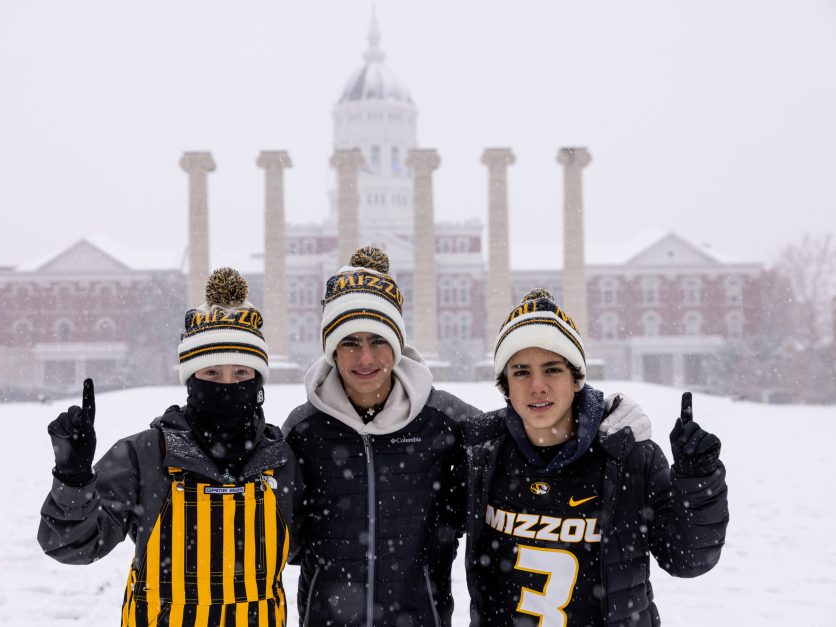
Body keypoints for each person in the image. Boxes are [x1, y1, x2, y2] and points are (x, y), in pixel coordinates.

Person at [284, 248, 651, 627]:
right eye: (350, 343)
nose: (365, 359)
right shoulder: (303, 430)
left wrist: (603, 415)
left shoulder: (447, 421)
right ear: (331, 350)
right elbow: (282, 537)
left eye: (378, 341)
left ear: (397, 344)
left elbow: (535, 430)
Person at [38, 267, 303, 627]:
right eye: (212, 374)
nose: (227, 385)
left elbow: (325, 546)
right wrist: (73, 479)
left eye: (241, 373)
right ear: (191, 380)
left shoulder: (283, 460)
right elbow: (70, 545)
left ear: (258, 380)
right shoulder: (145, 456)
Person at [465, 289, 729, 626]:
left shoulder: (630, 457)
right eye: (521, 372)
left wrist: (697, 479)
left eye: (552, 370)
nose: (537, 386)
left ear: (576, 379)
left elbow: (688, 559)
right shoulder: (481, 456)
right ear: (505, 385)